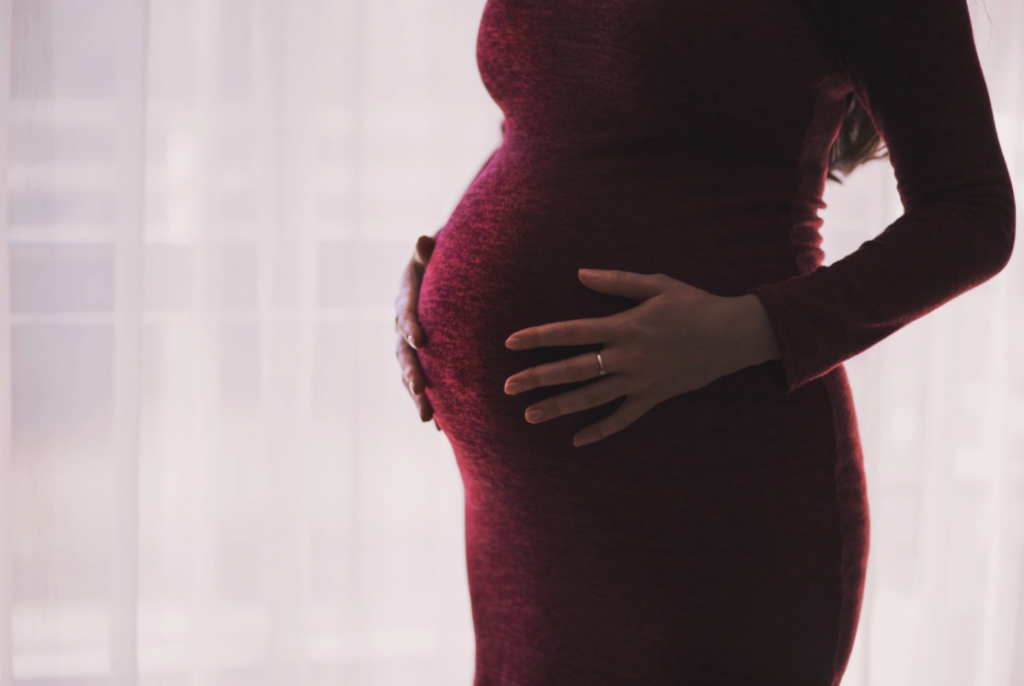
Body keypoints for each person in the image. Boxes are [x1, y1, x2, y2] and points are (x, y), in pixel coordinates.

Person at [393, 0, 1015, 682]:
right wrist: (441, 270)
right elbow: (560, 125)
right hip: (524, 516)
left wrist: (744, 329)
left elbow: (974, 215)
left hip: (704, 488)